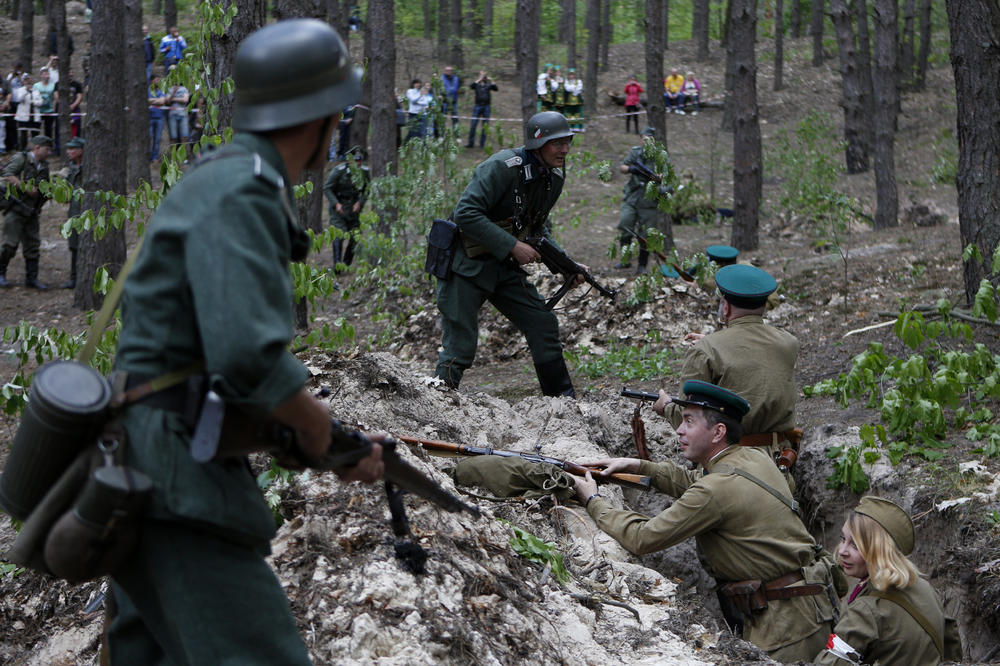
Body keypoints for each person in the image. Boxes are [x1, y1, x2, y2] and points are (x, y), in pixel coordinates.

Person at [105, 20, 384, 664]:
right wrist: (318, 432)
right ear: (324, 114)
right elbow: (247, 355)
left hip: (147, 466)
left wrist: (311, 438)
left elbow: (202, 357)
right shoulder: (242, 191)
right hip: (174, 481)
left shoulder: (226, 175)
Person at [575, 380, 839, 662]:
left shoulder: (714, 490)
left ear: (718, 432)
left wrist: (594, 501)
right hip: (813, 606)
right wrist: (637, 465)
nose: (679, 429)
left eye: (689, 421)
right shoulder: (754, 457)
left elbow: (643, 538)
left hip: (784, 629)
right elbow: (696, 481)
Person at [434, 111, 580, 397]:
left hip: (502, 266)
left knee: (543, 323)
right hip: (464, 265)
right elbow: (465, 213)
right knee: (460, 345)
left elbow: (536, 228)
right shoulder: (502, 167)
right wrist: (513, 246)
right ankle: (437, 404)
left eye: (567, 142)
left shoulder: (553, 179)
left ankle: (562, 403)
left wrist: (567, 265)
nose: (564, 150)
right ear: (537, 144)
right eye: (557, 143)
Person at [653, 264, 800, 488]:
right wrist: (718, 342)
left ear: (726, 307)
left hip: (730, 469)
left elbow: (690, 416)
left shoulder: (706, 350)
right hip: (779, 466)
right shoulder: (789, 343)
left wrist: (665, 407)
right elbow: (754, 358)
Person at [816, 497, 963, 665]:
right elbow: (951, 645)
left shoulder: (867, 609)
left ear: (881, 552)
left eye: (855, 546)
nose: (842, 551)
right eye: (843, 539)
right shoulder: (924, 588)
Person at [0, 135, 52, 289]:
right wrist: (26, 188)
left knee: (33, 245)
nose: (49, 152)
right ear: (37, 148)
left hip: (32, 211)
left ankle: (31, 278)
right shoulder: (20, 159)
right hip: (15, 209)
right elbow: (7, 175)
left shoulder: (43, 166)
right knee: (9, 244)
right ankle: (1, 274)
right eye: (47, 149)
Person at [614, 127, 664, 274]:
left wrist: (655, 178)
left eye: (650, 139)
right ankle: (625, 260)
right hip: (633, 196)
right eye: (644, 139)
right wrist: (631, 170)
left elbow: (666, 178)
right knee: (625, 225)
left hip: (649, 200)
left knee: (647, 234)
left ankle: (642, 266)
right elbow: (622, 167)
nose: (647, 142)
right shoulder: (636, 152)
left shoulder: (660, 156)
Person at [322, 148, 369, 271]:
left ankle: (347, 264)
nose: (358, 163)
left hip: (354, 208)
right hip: (339, 207)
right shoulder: (339, 171)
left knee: (356, 236)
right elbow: (327, 188)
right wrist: (336, 204)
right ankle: (337, 266)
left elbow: (367, 189)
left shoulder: (364, 172)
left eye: (360, 160)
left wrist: (360, 202)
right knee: (338, 234)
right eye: (356, 160)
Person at [56, 137, 84, 288]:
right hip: (74, 213)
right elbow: (65, 196)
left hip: (88, 213)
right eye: (68, 149)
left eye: (72, 149)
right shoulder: (71, 169)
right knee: (74, 245)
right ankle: (74, 278)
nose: (69, 152)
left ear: (81, 151)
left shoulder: (90, 167)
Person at [466, 70, 497, 149]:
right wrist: (479, 79)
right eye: (482, 75)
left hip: (487, 107)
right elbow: (471, 86)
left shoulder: (488, 84)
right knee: (473, 124)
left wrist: (491, 80)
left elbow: (496, 88)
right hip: (478, 106)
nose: (483, 76)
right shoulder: (477, 84)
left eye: (484, 75)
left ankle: (482, 144)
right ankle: (470, 143)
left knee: (485, 126)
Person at [32, 68, 58, 153]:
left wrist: (54, 108)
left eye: (47, 74)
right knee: (36, 130)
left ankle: (48, 148)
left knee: (48, 130)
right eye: (44, 74)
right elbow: (33, 97)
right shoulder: (36, 85)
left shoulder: (53, 85)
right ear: (41, 75)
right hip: (38, 111)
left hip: (49, 110)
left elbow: (55, 98)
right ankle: (36, 148)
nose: (46, 75)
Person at [166, 72, 190, 148]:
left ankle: (184, 158)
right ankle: (174, 158)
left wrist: (173, 98)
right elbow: (167, 101)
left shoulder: (184, 89)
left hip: (183, 114)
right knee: (173, 137)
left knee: (184, 137)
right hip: (172, 115)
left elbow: (185, 100)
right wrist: (173, 92)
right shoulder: (169, 89)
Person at [147, 74, 167, 161]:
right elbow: (146, 100)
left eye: (159, 80)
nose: (158, 82)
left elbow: (162, 101)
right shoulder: (147, 90)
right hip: (149, 117)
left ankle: (154, 157)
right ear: (151, 81)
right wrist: (157, 101)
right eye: (156, 80)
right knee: (149, 137)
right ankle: (147, 156)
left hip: (159, 117)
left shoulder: (161, 90)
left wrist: (151, 101)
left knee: (157, 138)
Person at [67, 69, 84, 138]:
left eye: (72, 72)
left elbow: (79, 96)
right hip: (63, 109)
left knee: (76, 130)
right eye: (69, 72)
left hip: (75, 109)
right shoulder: (59, 84)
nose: (71, 74)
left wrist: (73, 105)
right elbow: (57, 96)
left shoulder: (77, 84)